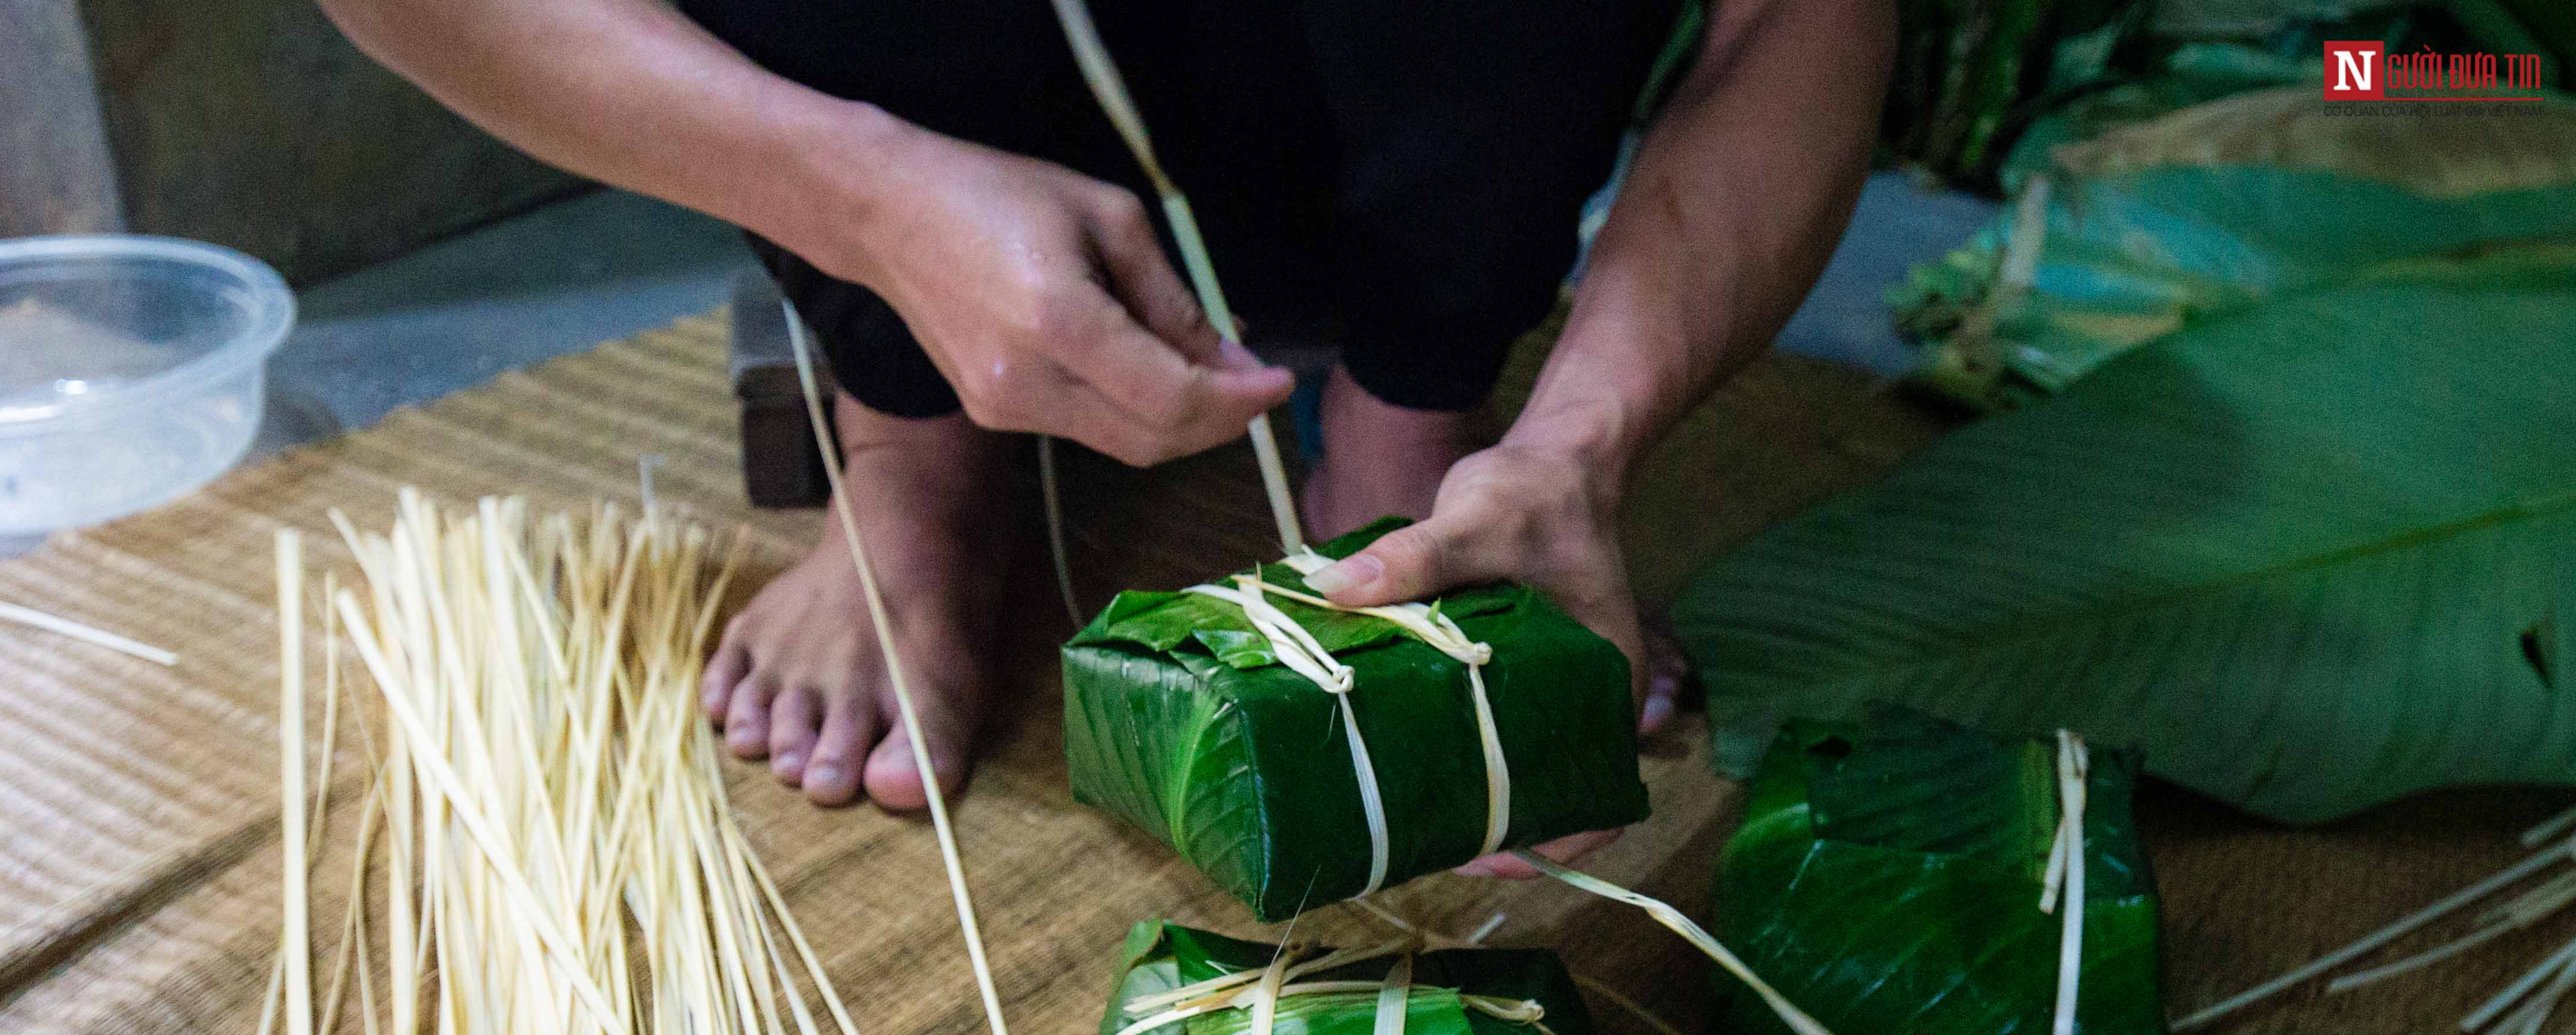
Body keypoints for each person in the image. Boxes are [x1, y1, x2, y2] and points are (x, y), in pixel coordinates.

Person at [319, 0, 1890, 871]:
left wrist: (1590, 431)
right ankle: (912, 440)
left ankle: (1421, 428)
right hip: (917, 114)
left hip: (1372, 129)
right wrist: (860, 197)